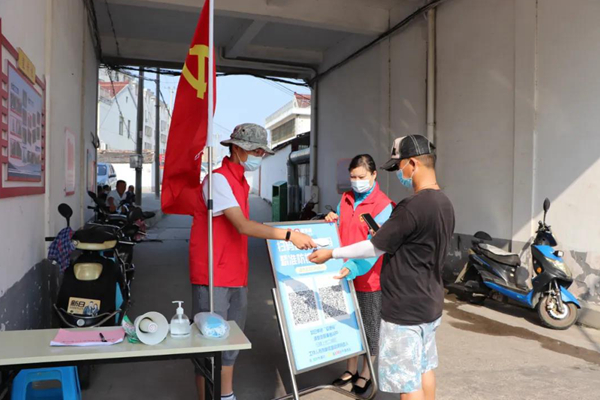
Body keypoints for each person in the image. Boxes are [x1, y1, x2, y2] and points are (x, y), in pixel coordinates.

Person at [308, 135, 455, 400]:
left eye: (399, 167)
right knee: (424, 368)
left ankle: (365, 375)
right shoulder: (444, 203)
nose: (399, 173)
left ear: (412, 164)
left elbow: (374, 247)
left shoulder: (410, 207)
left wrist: (332, 253)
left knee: (407, 384)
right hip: (430, 302)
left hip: (405, 309)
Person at [189, 123, 317, 400]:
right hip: (213, 274)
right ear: (236, 148)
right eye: (255, 150)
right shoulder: (218, 180)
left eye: (261, 151)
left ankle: (226, 394)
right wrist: (289, 235)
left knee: (230, 343)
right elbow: (243, 225)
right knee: (207, 344)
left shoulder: (240, 182)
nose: (259, 155)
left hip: (236, 272)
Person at [325, 154, 392, 395]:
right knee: (349, 324)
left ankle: (366, 373)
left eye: (361, 177)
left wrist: (354, 267)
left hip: (369, 277)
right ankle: (350, 369)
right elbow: (339, 230)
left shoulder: (384, 205)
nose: (356, 182)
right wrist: (330, 220)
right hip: (343, 273)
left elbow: (376, 246)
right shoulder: (346, 199)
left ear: (374, 175)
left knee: (369, 327)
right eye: (353, 177)